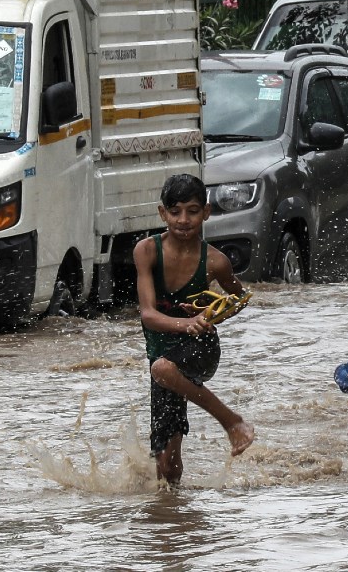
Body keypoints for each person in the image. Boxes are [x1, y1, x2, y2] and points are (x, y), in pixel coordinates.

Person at [134, 174, 255, 484]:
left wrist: (212, 313)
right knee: (167, 465)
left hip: (200, 348)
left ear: (207, 212)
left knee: (162, 369)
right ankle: (176, 523)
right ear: (163, 214)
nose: (183, 220)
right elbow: (148, 314)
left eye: (192, 211)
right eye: (175, 212)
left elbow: (240, 297)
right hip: (162, 353)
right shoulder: (146, 251)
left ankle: (232, 422)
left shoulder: (215, 262)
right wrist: (184, 322)